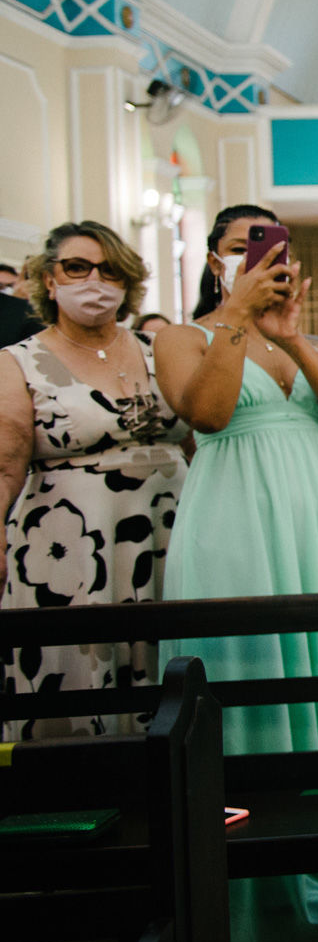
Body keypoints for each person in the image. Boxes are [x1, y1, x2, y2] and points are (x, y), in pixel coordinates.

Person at [151, 203, 318, 942]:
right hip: (235, 523)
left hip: (317, 520)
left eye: (270, 249)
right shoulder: (182, 336)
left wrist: (291, 334)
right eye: (240, 249)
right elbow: (212, 413)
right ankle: (248, 905)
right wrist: (236, 314)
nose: (259, 261)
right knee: (246, 676)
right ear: (217, 260)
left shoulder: (312, 339)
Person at [1, 223, 188, 739]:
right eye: (77, 267)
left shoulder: (160, 348)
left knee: (169, 660)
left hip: (167, 529)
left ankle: (174, 791)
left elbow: (196, 436)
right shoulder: (20, 360)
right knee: (80, 671)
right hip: (70, 541)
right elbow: (6, 462)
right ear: (48, 279)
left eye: (110, 270)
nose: (95, 280)